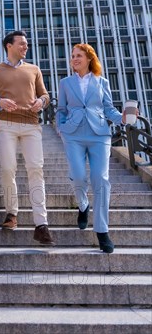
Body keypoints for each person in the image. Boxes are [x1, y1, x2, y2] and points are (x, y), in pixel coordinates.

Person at [56, 43, 131, 254]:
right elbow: (61, 109)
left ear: (89, 58)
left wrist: (122, 119)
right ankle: (82, 205)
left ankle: (102, 230)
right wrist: (61, 128)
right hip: (73, 135)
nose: (74, 59)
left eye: (79, 55)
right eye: (72, 56)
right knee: (79, 177)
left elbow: (108, 108)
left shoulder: (101, 81)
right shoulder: (65, 83)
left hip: (99, 135)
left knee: (101, 180)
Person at [0, 30, 55, 246]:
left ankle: (41, 224)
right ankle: (11, 213)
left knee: (36, 169)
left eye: (26, 44)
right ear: (9, 46)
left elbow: (45, 95)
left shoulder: (34, 69)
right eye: (22, 43)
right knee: (8, 169)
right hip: (6, 124)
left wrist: (41, 102)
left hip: (32, 125)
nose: (26, 46)